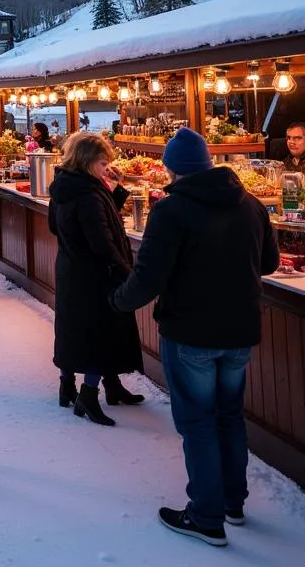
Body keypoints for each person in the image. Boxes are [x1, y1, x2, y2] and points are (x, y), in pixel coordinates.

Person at [110, 127, 280, 547]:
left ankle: (206, 516)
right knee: (228, 415)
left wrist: (117, 302)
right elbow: (270, 262)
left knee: (198, 423)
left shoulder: (171, 211)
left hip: (190, 333)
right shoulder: (251, 206)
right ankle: (232, 502)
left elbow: (149, 276)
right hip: (240, 328)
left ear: (173, 169)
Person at [47, 132, 144, 427]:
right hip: (94, 274)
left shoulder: (67, 186)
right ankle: (89, 395)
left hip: (71, 269)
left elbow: (61, 225)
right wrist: (126, 272)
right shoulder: (88, 194)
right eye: (103, 162)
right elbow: (101, 240)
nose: (107, 168)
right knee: (100, 334)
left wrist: (115, 189)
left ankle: (72, 385)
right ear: (88, 161)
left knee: (72, 329)